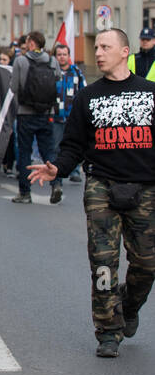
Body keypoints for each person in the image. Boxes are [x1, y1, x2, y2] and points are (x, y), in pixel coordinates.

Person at [29, 27, 155, 357]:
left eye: (105, 46)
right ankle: (108, 331)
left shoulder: (150, 92)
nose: (98, 52)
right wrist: (58, 167)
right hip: (102, 186)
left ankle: (128, 307)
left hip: (145, 188)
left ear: (125, 51)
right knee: (102, 264)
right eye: (96, 46)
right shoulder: (89, 96)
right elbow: (73, 144)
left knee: (147, 264)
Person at [11, 30, 62, 204]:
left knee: (25, 152)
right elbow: (57, 79)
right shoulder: (52, 60)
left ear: (31, 43)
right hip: (47, 113)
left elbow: (13, 87)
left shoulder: (21, 61)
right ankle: (56, 184)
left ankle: (25, 192)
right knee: (48, 151)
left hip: (25, 113)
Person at [53, 41, 86, 185]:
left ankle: (75, 171)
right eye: (59, 55)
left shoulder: (77, 73)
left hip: (73, 117)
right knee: (56, 146)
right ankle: (56, 172)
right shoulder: (52, 72)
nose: (61, 57)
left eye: (64, 54)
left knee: (75, 145)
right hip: (55, 116)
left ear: (69, 56)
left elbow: (83, 92)